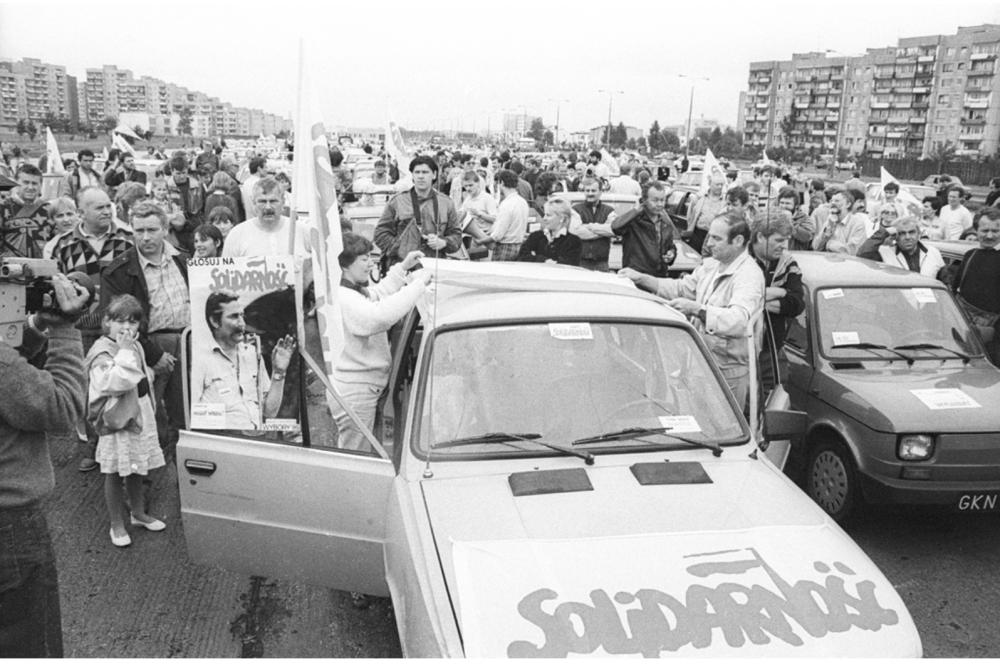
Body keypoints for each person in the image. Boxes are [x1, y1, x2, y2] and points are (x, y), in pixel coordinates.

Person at [0, 272, 89, 658]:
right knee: (31, 644)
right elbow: (62, 406)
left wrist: (36, 326)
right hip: (11, 524)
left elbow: (11, 375)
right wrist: (66, 329)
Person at [619, 210, 764, 407]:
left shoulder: (748, 276)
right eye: (709, 236)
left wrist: (697, 309)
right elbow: (681, 289)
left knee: (722, 431)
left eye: (716, 238)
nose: (708, 243)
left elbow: (738, 321)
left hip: (726, 374)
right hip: (700, 365)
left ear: (738, 241)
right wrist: (641, 278)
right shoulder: (713, 266)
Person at [101, 201, 190, 452]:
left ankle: (183, 473)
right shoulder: (119, 270)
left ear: (165, 228)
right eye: (139, 231)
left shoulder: (184, 259)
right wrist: (154, 354)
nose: (145, 237)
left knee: (185, 414)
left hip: (186, 341)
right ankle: (143, 477)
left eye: (152, 230)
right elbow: (116, 322)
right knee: (144, 415)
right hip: (145, 347)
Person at [332, 235, 430, 450]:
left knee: (361, 451)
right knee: (356, 455)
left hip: (359, 386)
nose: (371, 264)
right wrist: (418, 286)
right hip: (356, 391)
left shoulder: (351, 290)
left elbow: (378, 294)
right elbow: (378, 317)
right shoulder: (344, 297)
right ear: (344, 266)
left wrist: (403, 268)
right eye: (364, 259)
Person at [86, 295, 167, 548]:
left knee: (136, 466)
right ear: (107, 322)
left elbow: (142, 375)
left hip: (138, 412)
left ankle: (138, 513)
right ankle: (116, 524)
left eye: (133, 322)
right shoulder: (101, 351)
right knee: (114, 470)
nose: (127, 328)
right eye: (120, 321)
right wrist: (123, 352)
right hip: (116, 419)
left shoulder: (135, 346)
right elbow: (114, 383)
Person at [193, 291, 295, 430]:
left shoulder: (252, 353)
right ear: (214, 322)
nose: (242, 323)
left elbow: (269, 412)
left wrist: (279, 372)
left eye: (242, 316)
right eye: (234, 317)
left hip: (257, 440)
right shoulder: (200, 359)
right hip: (224, 442)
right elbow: (194, 417)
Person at [748, 211, 805, 396]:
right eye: (779, 240)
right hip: (739, 349)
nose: (785, 246)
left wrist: (756, 301)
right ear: (759, 237)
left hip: (771, 349)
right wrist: (780, 292)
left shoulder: (788, 263)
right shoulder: (740, 258)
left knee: (770, 398)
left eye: (787, 240)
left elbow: (796, 304)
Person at [374, 155, 462, 267]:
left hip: (433, 267)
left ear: (434, 175)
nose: (420, 176)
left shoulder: (446, 203)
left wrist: (443, 243)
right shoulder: (397, 201)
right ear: (412, 176)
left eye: (425, 172)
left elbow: (457, 236)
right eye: (417, 172)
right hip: (402, 267)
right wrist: (401, 248)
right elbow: (380, 234)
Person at [951, 207, 1000, 365]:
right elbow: (955, 290)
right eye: (985, 230)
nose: (990, 236)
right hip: (968, 332)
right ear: (976, 230)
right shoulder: (970, 255)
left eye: (995, 230)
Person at [223, 178, 310, 258]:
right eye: (262, 201)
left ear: (283, 202)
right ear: (254, 203)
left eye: (273, 201)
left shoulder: (302, 232)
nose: (268, 207)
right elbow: (226, 272)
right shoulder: (237, 235)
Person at [611, 181, 677, 278]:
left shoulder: (666, 223)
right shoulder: (633, 221)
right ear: (644, 200)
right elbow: (615, 227)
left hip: (659, 279)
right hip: (636, 277)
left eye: (662, 200)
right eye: (654, 200)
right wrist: (635, 211)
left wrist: (672, 253)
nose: (659, 204)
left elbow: (670, 245)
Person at [858, 212, 944, 278]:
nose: (907, 237)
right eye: (902, 233)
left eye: (911, 232)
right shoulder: (886, 253)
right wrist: (884, 232)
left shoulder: (933, 252)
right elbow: (862, 255)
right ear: (895, 236)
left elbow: (944, 282)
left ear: (918, 234)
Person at [0, 164, 51, 259]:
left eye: (34, 183)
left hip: (44, 269)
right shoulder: (3, 207)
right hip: (10, 270)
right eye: (26, 182)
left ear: (41, 185)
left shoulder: (49, 209)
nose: (30, 187)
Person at [480, 169, 529, 261]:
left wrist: (481, 240)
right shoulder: (522, 202)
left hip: (504, 248)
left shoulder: (506, 205)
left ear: (501, 183)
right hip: (518, 245)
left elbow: (498, 235)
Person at [570, 177, 617, 272]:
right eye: (587, 190)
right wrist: (602, 231)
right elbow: (575, 231)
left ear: (600, 192)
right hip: (580, 261)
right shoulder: (576, 209)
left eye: (593, 190)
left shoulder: (609, 211)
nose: (590, 193)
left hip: (601, 262)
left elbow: (612, 230)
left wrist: (589, 226)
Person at [517, 198, 582, 266]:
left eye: (548, 215)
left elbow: (567, 266)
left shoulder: (574, 242)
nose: (544, 218)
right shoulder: (535, 236)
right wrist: (544, 260)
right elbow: (522, 257)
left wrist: (534, 257)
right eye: (544, 214)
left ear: (561, 218)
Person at [164, 154, 203, 251]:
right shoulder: (165, 187)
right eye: (178, 173)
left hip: (194, 227)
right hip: (174, 229)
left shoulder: (197, 185)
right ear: (172, 171)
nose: (182, 176)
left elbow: (202, 207)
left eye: (184, 173)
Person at [812, 188, 866, 255]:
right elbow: (815, 247)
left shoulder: (857, 224)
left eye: (837, 201)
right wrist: (827, 231)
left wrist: (829, 244)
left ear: (848, 204)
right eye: (831, 201)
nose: (832, 203)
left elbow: (852, 251)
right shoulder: (830, 221)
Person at [685, 175, 727, 254]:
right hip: (697, 234)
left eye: (722, 184)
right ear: (710, 183)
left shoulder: (725, 201)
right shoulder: (699, 197)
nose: (720, 187)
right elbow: (690, 214)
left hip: (713, 236)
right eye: (717, 184)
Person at [458, 170, 498, 236]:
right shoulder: (467, 200)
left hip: (485, 234)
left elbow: (494, 219)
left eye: (471, 185)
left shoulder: (487, 198)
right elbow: (461, 217)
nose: (468, 188)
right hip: (470, 236)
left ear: (478, 183)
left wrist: (479, 214)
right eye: (466, 186)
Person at [775, 186, 815, 250]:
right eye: (782, 203)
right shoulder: (774, 216)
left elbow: (807, 237)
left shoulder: (804, 218)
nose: (783, 206)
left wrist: (790, 221)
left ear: (796, 206)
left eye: (787, 203)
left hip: (795, 254)